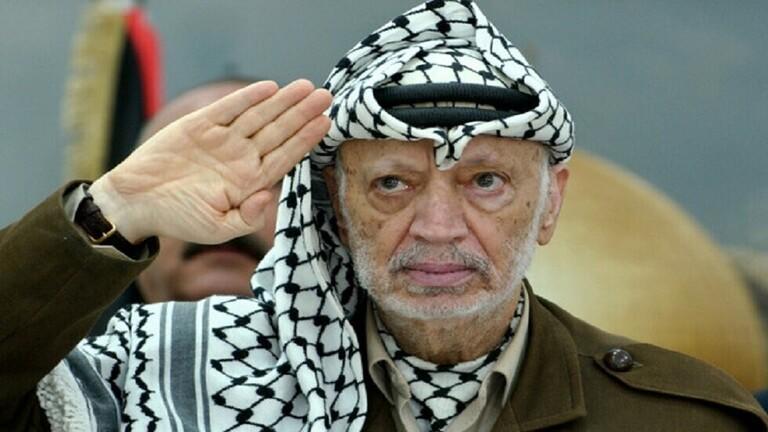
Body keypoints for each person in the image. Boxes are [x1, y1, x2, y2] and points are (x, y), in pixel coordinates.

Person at [1, 1, 766, 431]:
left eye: (486, 182)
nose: (437, 226)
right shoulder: (157, 376)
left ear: (551, 202)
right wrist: (113, 210)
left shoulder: (682, 419)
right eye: (393, 184)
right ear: (335, 205)